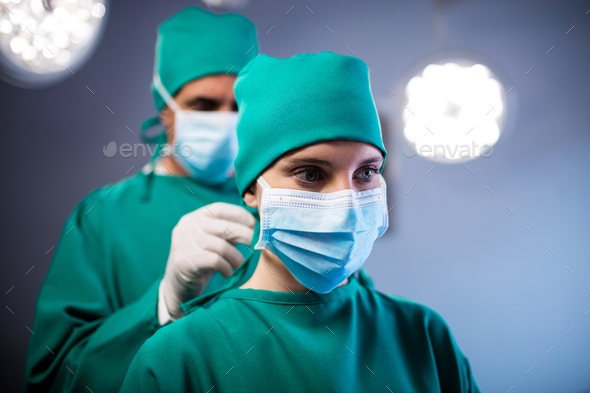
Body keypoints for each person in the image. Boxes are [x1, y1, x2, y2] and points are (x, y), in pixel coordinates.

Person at [120, 52, 481, 392]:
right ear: (251, 191)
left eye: (367, 171)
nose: (347, 203)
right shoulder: (182, 355)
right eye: (310, 173)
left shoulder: (422, 336)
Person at [24, 8, 259, 393]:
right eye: (204, 105)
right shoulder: (103, 217)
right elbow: (53, 380)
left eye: (238, 107)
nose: (225, 120)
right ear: (166, 108)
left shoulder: (273, 204)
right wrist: (162, 306)